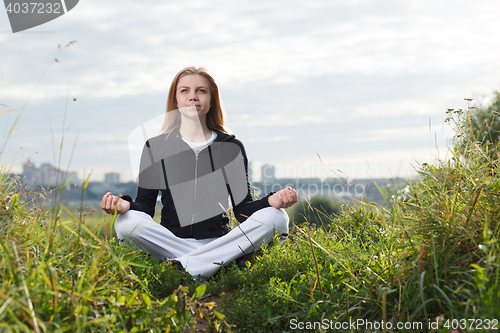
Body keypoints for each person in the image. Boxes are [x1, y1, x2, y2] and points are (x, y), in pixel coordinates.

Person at [102, 66, 298, 280]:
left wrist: (272, 201)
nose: (193, 97)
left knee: (277, 218)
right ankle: (214, 265)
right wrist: (125, 205)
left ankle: (182, 266)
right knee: (125, 222)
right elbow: (145, 208)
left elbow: (243, 210)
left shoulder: (231, 147)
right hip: (171, 242)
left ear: (212, 100)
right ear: (175, 101)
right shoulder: (156, 147)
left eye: (201, 91)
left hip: (218, 242)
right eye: (184, 91)